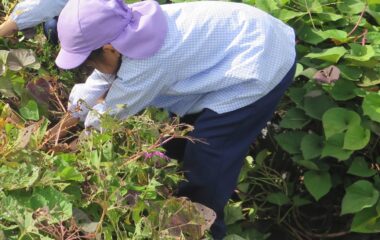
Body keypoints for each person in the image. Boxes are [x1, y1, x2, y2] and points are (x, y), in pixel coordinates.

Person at [3, 0, 296, 238]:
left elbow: (107, 117)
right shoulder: (124, 30)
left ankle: (202, 229)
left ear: (108, 48)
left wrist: (66, 153)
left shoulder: (149, 61)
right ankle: (173, 202)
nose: (90, 66)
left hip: (259, 61)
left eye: (89, 59)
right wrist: (61, 127)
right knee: (174, 141)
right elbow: (99, 81)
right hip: (238, 41)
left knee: (208, 156)